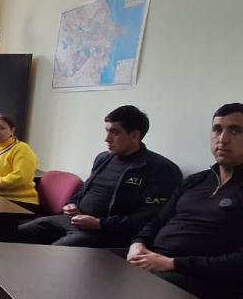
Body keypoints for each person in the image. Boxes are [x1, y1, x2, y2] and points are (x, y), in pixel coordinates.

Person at [124, 103, 243, 299]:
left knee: (130, 293)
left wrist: (173, 264)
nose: (222, 139)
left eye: (235, 131)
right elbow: (158, 220)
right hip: (156, 259)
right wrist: (138, 243)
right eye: (217, 129)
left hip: (206, 279)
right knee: (96, 265)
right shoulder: (196, 181)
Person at [18, 105, 181, 247]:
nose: (107, 139)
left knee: (51, 254)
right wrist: (72, 204)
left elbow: (150, 217)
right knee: (14, 233)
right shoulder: (103, 158)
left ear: (135, 135)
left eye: (115, 133)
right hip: (75, 220)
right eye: (107, 131)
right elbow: (84, 191)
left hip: (109, 233)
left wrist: (99, 223)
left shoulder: (161, 169)